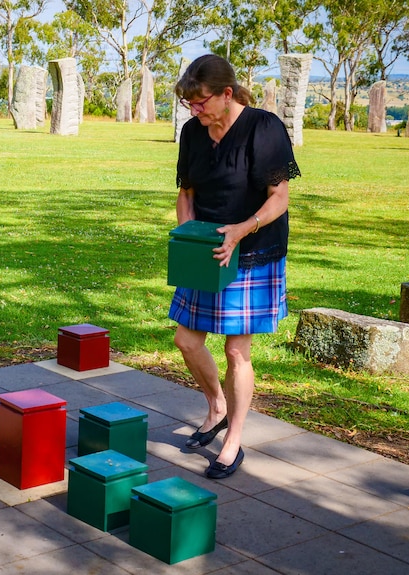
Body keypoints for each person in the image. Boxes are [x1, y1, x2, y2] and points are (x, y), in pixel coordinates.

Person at [170, 54, 300, 479]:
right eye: (189, 103)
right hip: (207, 252)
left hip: (252, 250)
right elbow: (186, 192)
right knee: (186, 341)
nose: (195, 110)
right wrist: (188, 235)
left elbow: (278, 198)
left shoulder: (264, 129)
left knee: (235, 350)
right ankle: (217, 406)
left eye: (201, 101)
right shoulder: (193, 131)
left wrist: (240, 231)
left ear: (227, 93)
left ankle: (233, 441)